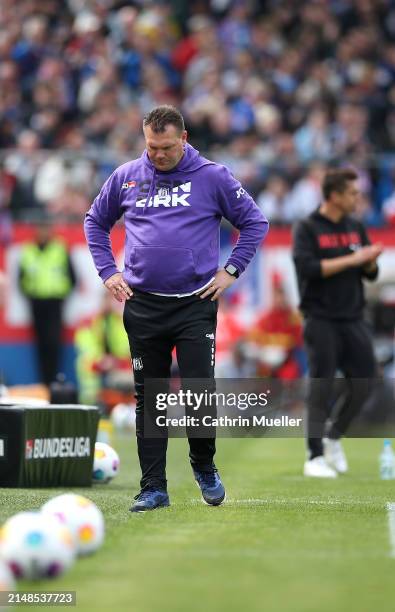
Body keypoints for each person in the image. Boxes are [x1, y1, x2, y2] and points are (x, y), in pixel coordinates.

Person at [84, 105, 268, 512]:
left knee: (200, 390)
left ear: (183, 139)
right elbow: (95, 221)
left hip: (195, 304)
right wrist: (107, 272)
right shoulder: (127, 175)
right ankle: (153, 488)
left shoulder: (212, 177)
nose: (158, 155)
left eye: (165, 147)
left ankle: (204, 465)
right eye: (151, 147)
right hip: (142, 303)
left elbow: (255, 222)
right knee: (149, 398)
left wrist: (231, 270)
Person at [292, 168, 382, 478]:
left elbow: (369, 274)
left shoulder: (356, 226)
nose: (358, 198)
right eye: (353, 193)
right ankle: (314, 456)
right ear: (334, 196)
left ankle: (333, 436)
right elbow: (309, 269)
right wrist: (355, 260)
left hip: (353, 315)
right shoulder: (307, 228)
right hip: (320, 317)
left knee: (365, 381)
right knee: (322, 384)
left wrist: (369, 261)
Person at [18, 218, 76, 386]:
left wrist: (61, 294)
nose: (43, 232)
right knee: (40, 345)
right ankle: (43, 383)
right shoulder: (28, 250)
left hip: (55, 304)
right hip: (36, 304)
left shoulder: (60, 248)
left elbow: (72, 277)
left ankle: (53, 382)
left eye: (46, 227)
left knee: (54, 344)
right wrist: (31, 295)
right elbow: (21, 279)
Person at [75, 291, 131, 406]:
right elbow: (86, 346)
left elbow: (127, 347)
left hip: (118, 364)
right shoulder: (90, 321)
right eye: (108, 298)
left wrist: (115, 361)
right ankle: (91, 403)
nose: (110, 302)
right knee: (84, 363)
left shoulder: (121, 321)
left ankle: (120, 405)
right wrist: (101, 360)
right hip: (96, 364)